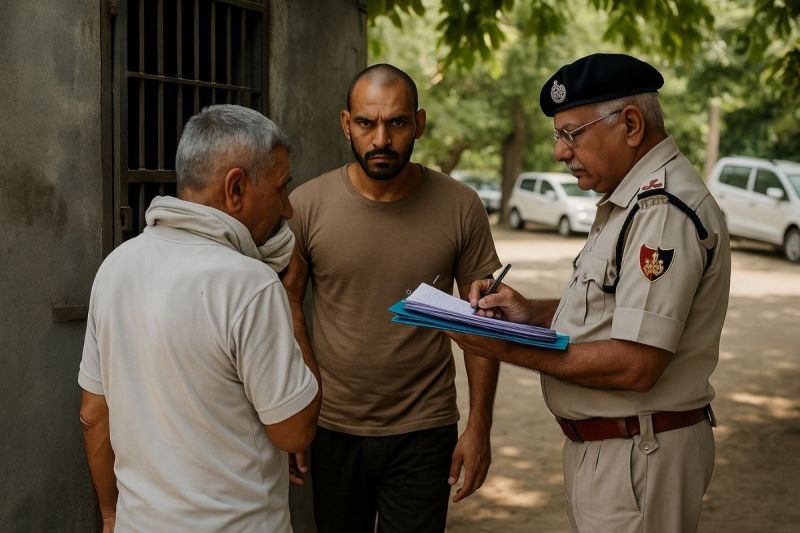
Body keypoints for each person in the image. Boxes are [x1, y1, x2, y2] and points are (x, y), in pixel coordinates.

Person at [447, 53, 731, 533]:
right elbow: (621, 310)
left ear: (631, 124)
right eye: (559, 135)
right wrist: (529, 313)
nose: (560, 151)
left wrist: (504, 348)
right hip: (621, 450)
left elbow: (637, 362)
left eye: (571, 133)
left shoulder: (661, 210)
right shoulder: (631, 200)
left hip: (639, 451)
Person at [78, 104, 321, 532]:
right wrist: (293, 301)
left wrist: (112, 514)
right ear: (236, 188)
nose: (287, 209)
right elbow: (295, 432)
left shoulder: (116, 266)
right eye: (282, 188)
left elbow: (93, 413)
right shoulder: (251, 284)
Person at [283, 63, 501, 532]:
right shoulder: (305, 205)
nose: (381, 139)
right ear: (346, 124)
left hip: (424, 428)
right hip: (332, 427)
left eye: (397, 123)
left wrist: (479, 425)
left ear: (418, 124)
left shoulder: (460, 205)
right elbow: (288, 302)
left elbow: (482, 321)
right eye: (366, 123)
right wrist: (298, 411)